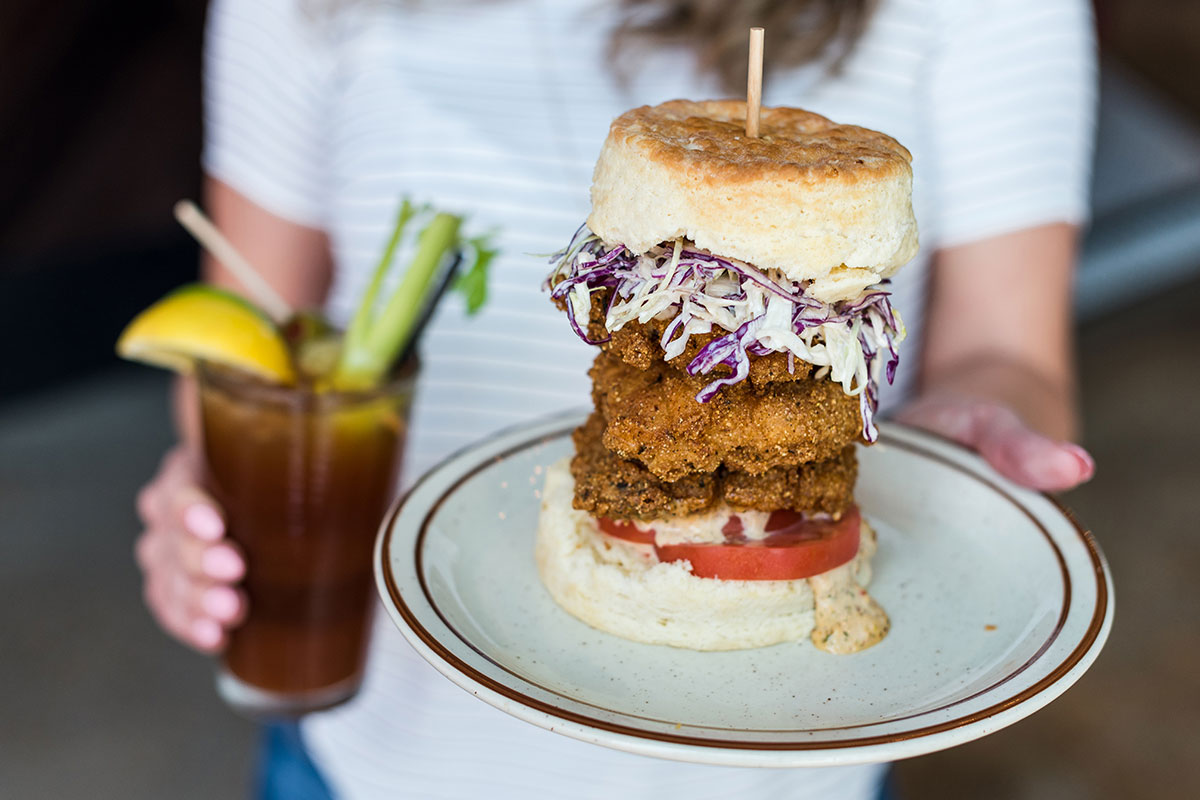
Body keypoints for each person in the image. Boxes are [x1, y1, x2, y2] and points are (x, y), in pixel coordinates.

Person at [133, 0, 1097, 797]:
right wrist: (211, 480)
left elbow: (1010, 356)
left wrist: (982, 436)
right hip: (369, 749)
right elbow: (247, 334)